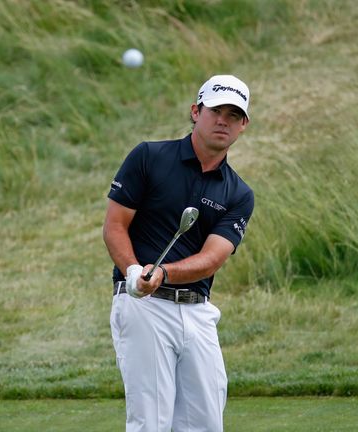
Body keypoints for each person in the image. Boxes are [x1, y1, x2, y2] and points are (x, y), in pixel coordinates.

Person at [103, 74, 255, 432]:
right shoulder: (149, 157)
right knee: (151, 422)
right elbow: (114, 226)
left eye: (234, 115)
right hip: (143, 305)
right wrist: (133, 271)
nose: (223, 121)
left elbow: (213, 257)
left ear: (243, 125)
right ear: (195, 111)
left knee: (206, 423)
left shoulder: (239, 193)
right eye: (216, 110)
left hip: (197, 312)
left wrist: (165, 273)